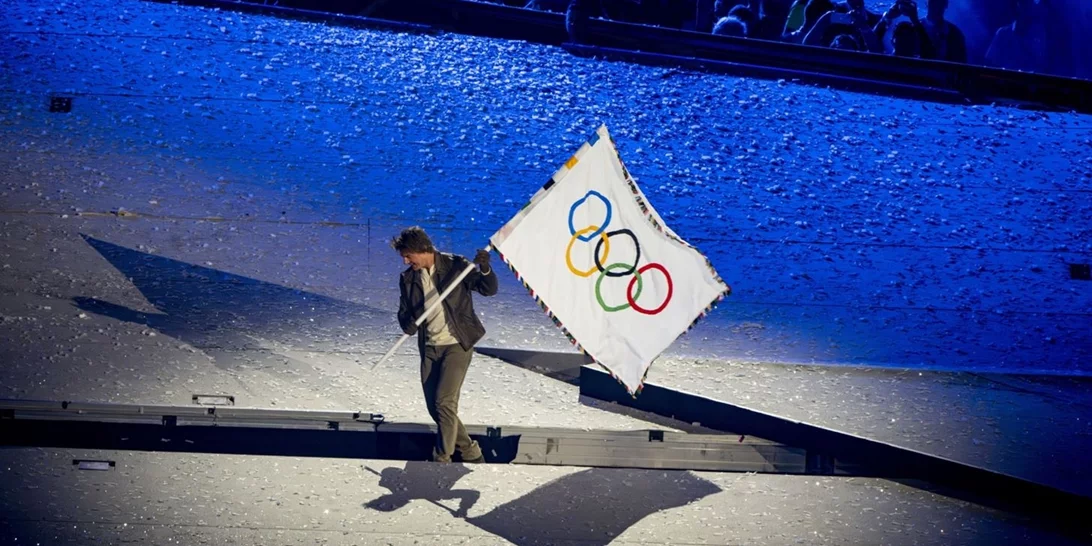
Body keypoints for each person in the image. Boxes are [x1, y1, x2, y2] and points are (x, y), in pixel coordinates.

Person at [391, 226, 498, 464]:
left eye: (409, 255)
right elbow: (404, 312)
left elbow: (489, 289)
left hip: (456, 345)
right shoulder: (408, 279)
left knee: (444, 402)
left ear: (423, 249)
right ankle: (471, 451)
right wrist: (407, 324)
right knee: (435, 408)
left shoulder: (455, 266)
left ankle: (442, 458)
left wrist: (485, 267)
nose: (406, 261)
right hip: (429, 347)